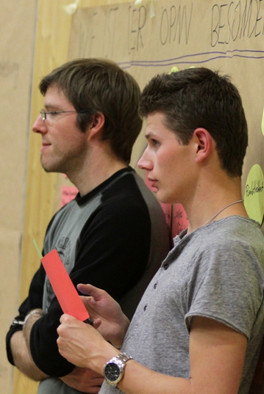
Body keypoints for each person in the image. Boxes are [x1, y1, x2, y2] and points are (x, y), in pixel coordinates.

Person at [56, 67, 264, 393]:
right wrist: (127, 332)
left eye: (155, 143)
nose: (142, 161)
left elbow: (208, 392)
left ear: (200, 144)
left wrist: (102, 357)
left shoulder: (226, 249)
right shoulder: (202, 240)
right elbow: (179, 361)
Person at [5, 58, 170, 394]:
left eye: (52, 113)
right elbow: (16, 333)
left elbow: (52, 347)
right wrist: (41, 342)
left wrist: (36, 334)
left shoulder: (122, 215)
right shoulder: (68, 215)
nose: (38, 125)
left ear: (94, 122)